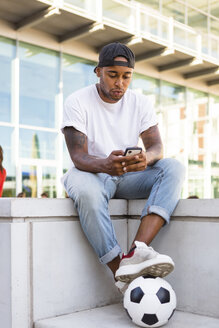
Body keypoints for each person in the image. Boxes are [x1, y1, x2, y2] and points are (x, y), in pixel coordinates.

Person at [61, 42, 185, 293]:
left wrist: (146, 158)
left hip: (128, 177)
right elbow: (77, 156)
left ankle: (136, 253)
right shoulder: (77, 101)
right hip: (91, 174)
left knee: (173, 168)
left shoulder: (140, 103)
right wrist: (105, 165)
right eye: (113, 75)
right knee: (86, 192)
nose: (120, 83)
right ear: (98, 72)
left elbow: (157, 147)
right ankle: (119, 271)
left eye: (126, 76)